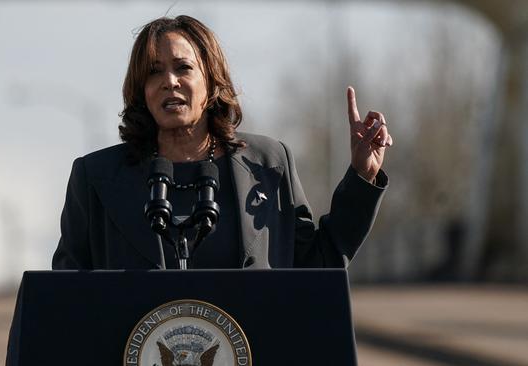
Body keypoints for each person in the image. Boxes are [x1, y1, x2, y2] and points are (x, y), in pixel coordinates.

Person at [51, 15, 392, 270]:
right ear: (141, 88)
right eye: (154, 72)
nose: (169, 81)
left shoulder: (268, 163)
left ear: (212, 80)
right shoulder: (95, 177)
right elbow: (68, 295)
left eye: (183, 67)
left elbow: (318, 265)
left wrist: (362, 176)